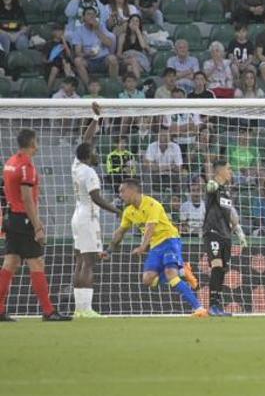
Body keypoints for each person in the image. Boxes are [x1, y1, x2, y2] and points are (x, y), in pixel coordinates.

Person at [0, 129, 72, 321]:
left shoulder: (10, 163)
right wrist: (38, 226)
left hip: (12, 217)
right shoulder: (26, 166)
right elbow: (27, 199)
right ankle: (48, 311)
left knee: (11, 262)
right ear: (33, 144)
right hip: (23, 219)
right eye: (37, 142)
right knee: (36, 263)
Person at [107, 178, 206, 318]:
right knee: (148, 280)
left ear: (132, 190)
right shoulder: (128, 211)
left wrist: (142, 246)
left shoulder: (152, 204)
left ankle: (199, 308)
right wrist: (109, 250)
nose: (120, 195)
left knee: (171, 274)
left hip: (169, 240)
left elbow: (150, 227)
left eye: (122, 191)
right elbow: (120, 232)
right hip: (155, 246)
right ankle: (183, 271)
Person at [71, 104, 121, 318]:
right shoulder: (90, 172)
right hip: (88, 217)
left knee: (80, 261)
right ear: (89, 156)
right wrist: (116, 210)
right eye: (94, 151)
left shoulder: (76, 165)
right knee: (89, 262)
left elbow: (86, 140)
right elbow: (97, 198)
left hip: (77, 215)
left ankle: (79, 308)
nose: (96, 152)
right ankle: (86, 308)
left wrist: (96, 118)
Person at [201, 159, 247, 318]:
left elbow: (231, 213)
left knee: (221, 270)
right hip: (213, 231)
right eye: (229, 169)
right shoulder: (214, 187)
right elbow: (209, 188)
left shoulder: (226, 192)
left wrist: (239, 231)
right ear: (219, 171)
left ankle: (217, 306)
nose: (231, 172)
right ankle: (212, 306)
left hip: (226, 234)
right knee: (216, 265)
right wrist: (210, 184)